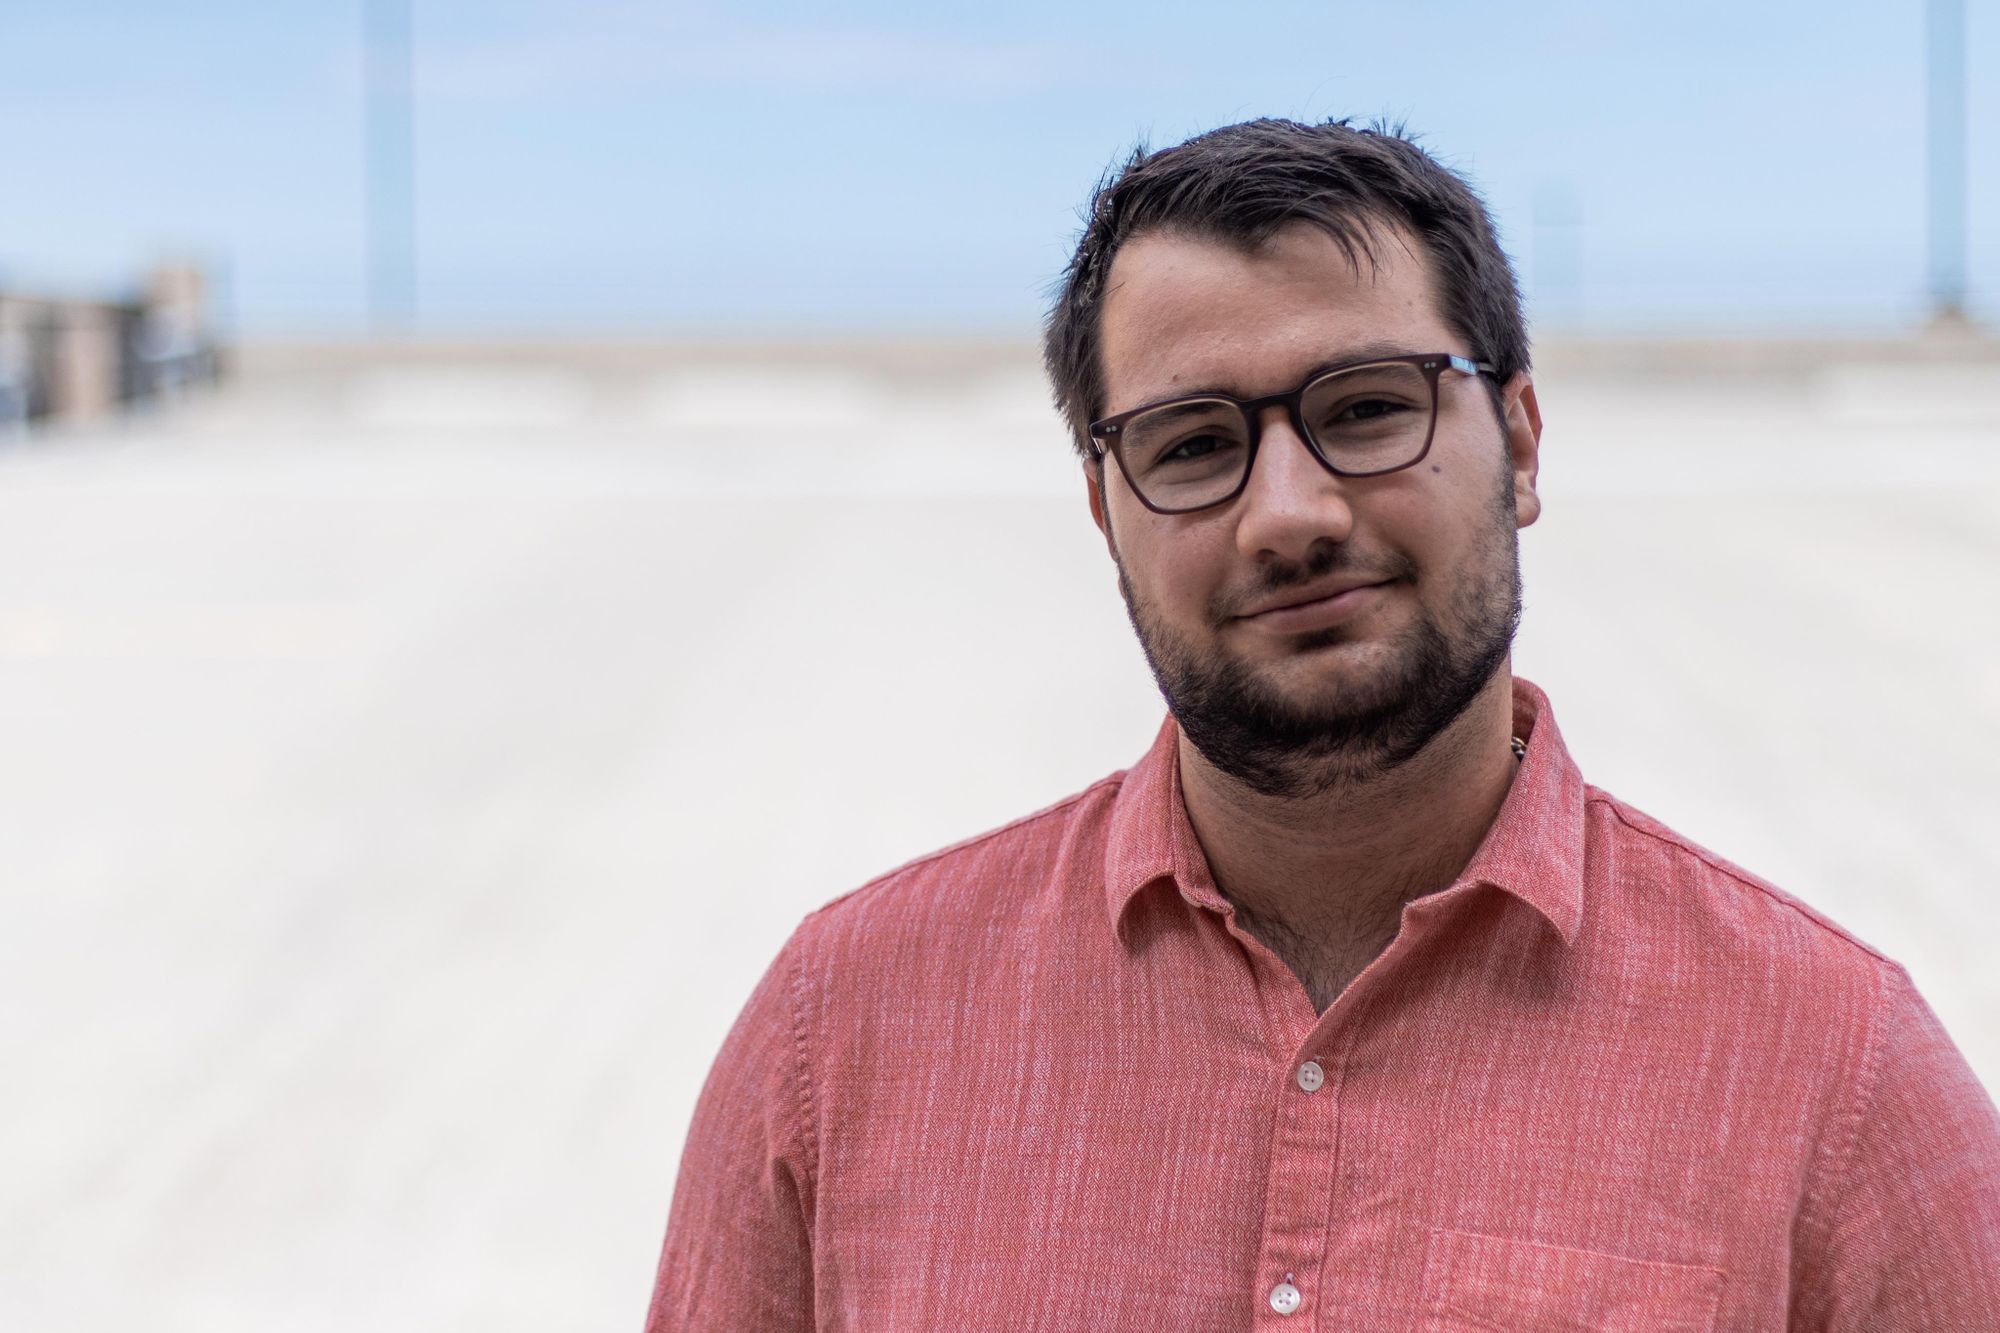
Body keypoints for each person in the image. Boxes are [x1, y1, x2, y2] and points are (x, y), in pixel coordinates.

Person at [645, 118, 2000, 1330]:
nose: (1289, 512)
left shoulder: (1835, 1071)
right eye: (1191, 444)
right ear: (1104, 510)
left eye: (1367, 410)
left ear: (1521, 442)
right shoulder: (847, 1032)